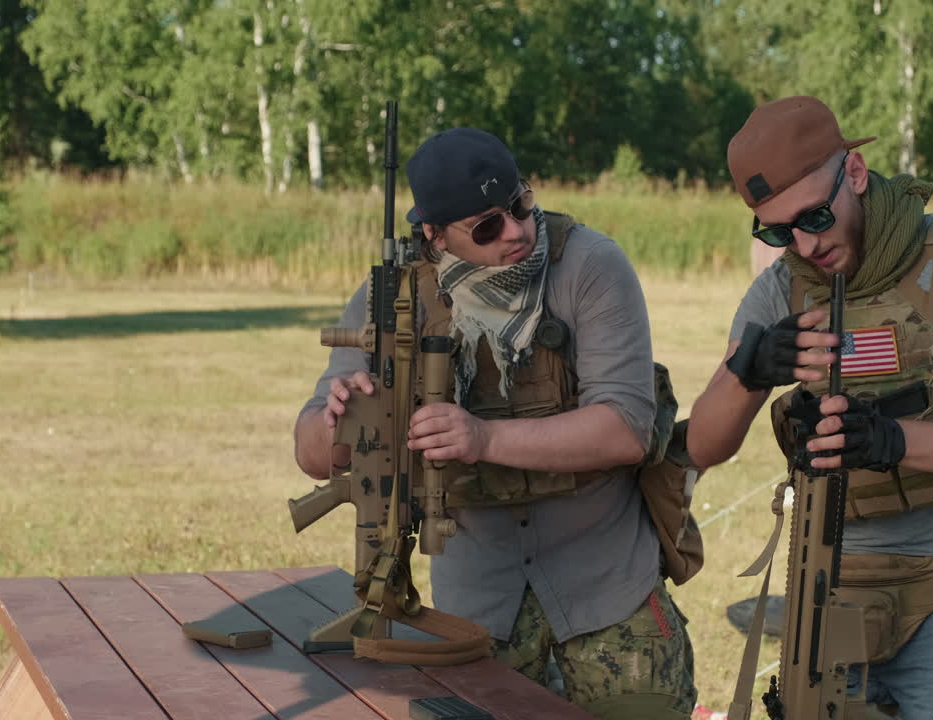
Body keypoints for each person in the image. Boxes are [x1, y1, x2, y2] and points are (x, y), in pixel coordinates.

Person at [293, 127, 696, 719]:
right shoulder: (394, 297)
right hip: (476, 609)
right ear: (435, 235)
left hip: (607, 590)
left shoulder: (588, 266)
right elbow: (310, 453)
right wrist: (342, 421)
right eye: (487, 226)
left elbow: (626, 428)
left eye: (519, 204)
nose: (516, 231)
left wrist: (483, 438)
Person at [688, 96, 933, 719]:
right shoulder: (779, 291)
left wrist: (894, 440)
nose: (804, 244)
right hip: (829, 583)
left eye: (813, 216)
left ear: (855, 173)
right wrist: (745, 372)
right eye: (778, 231)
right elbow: (702, 445)